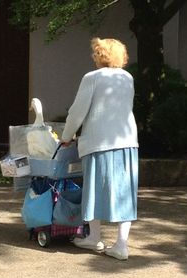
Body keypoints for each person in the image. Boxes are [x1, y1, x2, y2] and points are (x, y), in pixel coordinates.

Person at [61, 37, 138, 260]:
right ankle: (121, 244)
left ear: (100, 56)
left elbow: (78, 111)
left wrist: (67, 136)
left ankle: (94, 237)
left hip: (99, 142)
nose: (93, 57)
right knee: (125, 191)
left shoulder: (92, 78)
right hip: (126, 141)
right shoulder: (127, 78)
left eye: (96, 53)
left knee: (94, 189)